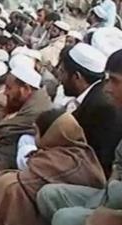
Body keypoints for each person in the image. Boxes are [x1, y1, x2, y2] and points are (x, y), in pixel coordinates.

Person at [36, 48, 122, 225]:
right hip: (111, 194)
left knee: (64, 218)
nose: (107, 89)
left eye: (114, 81)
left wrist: (113, 217)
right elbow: (117, 166)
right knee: (48, 195)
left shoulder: (104, 106)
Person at [0, 108, 106, 225]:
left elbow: (28, 180)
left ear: (50, 134)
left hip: (87, 208)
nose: (35, 137)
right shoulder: (76, 151)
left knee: (14, 187)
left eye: (36, 132)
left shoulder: (68, 159)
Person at [0, 65, 52, 191]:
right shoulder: (33, 99)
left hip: (33, 157)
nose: (5, 92)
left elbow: (8, 130)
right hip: (12, 144)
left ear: (25, 89)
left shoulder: (38, 109)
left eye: (9, 88)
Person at [59, 43, 122, 177]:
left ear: (77, 76)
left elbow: (101, 163)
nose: (108, 89)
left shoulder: (104, 107)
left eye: (63, 72)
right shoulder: (93, 98)